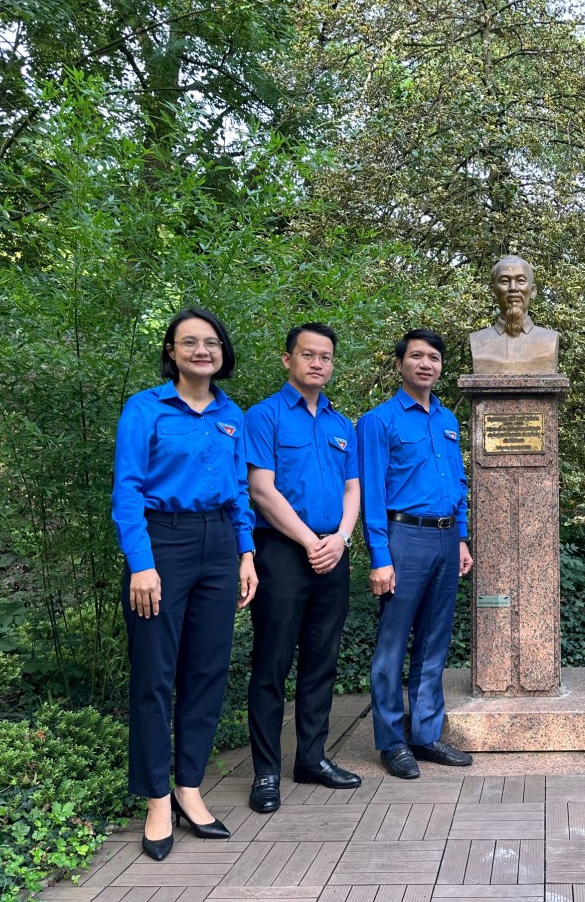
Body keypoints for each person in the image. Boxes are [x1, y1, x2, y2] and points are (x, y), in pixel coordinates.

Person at [111, 307, 258, 861]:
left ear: (223, 352)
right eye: (189, 342)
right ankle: (155, 799)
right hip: (162, 545)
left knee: (207, 669)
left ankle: (188, 788)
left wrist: (246, 552)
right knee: (155, 674)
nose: (203, 350)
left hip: (220, 545)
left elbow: (240, 491)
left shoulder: (232, 415)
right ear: (171, 351)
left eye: (212, 342)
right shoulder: (145, 409)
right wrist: (142, 563)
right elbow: (126, 490)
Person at [243, 323, 363, 815]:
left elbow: (353, 490)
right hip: (282, 553)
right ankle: (266, 771)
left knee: (321, 661)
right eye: (308, 355)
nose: (318, 363)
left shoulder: (342, 425)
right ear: (287, 359)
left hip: (332, 553)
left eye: (326, 357)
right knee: (272, 664)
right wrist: (310, 540)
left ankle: (311, 758)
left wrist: (340, 539)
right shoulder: (263, 417)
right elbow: (261, 490)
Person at [357, 329, 475, 779]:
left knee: (433, 641)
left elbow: (457, 483)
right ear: (401, 362)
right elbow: (371, 493)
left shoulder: (447, 419)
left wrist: (461, 537)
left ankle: (425, 735)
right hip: (403, 538)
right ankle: (391, 741)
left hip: (446, 540)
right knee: (393, 644)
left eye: (434, 358)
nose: (426, 364)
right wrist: (379, 556)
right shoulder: (379, 421)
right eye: (417, 356)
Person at [468, 254, 560, 374]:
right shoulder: (478, 341)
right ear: (493, 291)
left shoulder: (549, 341)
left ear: (533, 291)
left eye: (521, 281)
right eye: (505, 281)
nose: (513, 288)